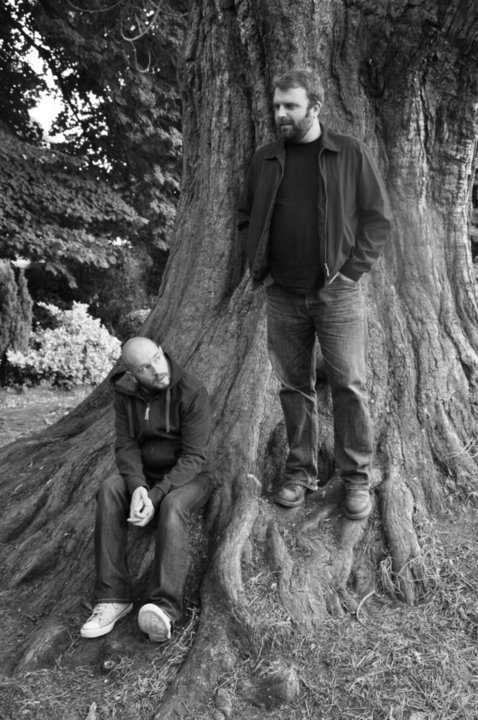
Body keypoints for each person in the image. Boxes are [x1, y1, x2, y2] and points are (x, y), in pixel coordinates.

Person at [237, 68, 392, 520]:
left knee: (349, 385)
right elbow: (245, 216)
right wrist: (262, 270)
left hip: (337, 294)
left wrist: (352, 272)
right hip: (282, 294)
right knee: (293, 387)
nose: (281, 114)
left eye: (291, 106)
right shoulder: (265, 159)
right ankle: (300, 473)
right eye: (277, 106)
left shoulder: (348, 152)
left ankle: (356, 478)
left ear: (315, 107)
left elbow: (378, 218)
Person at [80, 336, 212, 641]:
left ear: (162, 352)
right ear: (133, 374)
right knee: (110, 488)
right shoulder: (125, 393)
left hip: (191, 478)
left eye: (157, 358)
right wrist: (137, 486)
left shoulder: (191, 391)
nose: (157, 369)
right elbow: (126, 445)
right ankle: (113, 598)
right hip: (147, 476)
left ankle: (165, 608)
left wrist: (155, 496)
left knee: (173, 506)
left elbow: (195, 457)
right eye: (145, 368)